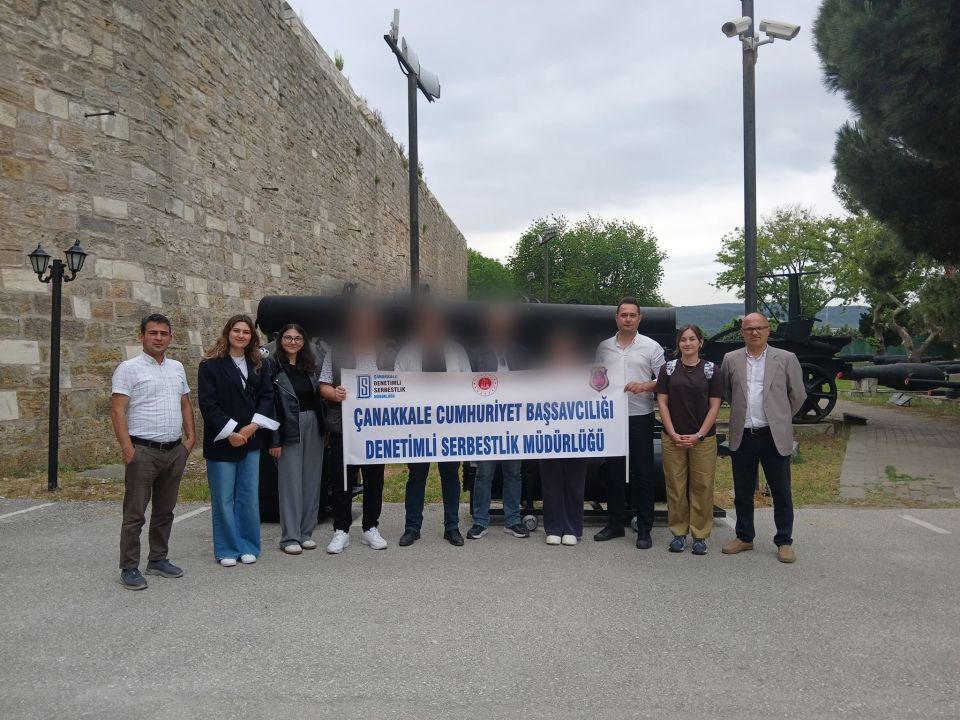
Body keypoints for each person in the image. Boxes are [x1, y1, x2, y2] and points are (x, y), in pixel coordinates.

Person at [111, 313, 195, 590]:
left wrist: (191, 439)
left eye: (163, 333)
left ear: (170, 337)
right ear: (142, 336)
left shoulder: (177, 368)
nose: (158, 338)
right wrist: (127, 448)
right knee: (135, 513)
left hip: (174, 450)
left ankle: (158, 559)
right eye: (153, 333)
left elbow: (185, 403)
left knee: (165, 510)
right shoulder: (128, 368)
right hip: (143, 451)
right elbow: (118, 410)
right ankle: (129, 567)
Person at [719, 312, 807, 563]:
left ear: (768, 330)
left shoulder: (786, 358)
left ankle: (784, 541)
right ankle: (744, 537)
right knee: (743, 490)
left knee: (781, 491)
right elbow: (727, 391)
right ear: (742, 333)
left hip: (773, 435)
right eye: (749, 329)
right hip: (744, 434)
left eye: (760, 327)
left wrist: (781, 417)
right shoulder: (730, 359)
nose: (755, 332)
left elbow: (798, 395)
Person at [198, 314, 279, 567]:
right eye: (236, 331)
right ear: (228, 333)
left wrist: (251, 428)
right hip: (222, 439)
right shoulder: (210, 365)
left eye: (246, 332)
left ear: (252, 336)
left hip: (251, 439)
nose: (241, 335)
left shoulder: (259, 364)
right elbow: (208, 404)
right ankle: (227, 549)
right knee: (223, 498)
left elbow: (267, 397)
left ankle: (248, 545)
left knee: (248, 497)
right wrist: (232, 432)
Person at [320, 303, 396, 554]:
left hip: (376, 428)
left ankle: (370, 527)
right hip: (344, 427)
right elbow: (323, 385)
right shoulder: (336, 352)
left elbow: (400, 386)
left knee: (374, 480)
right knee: (342, 479)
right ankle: (341, 529)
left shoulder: (386, 353)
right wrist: (334, 393)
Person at [395, 303, 472, 547]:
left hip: (450, 425)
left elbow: (468, 385)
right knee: (417, 477)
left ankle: (452, 527)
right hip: (418, 427)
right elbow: (397, 387)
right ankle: (412, 528)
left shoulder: (457, 351)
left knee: (450, 477)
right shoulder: (406, 352)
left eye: (436, 324)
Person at [594, 297, 665, 549]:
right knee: (613, 472)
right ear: (616, 318)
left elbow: (664, 379)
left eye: (632, 315)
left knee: (643, 473)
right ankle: (614, 523)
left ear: (639, 318)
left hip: (640, 416)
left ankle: (644, 528)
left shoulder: (651, 347)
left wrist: (644, 386)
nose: (627, 319)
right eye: (623, 315)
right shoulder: (603, 347)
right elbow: (596, 377)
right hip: (612, 417)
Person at [466, 305, 531, 540]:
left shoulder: (521, 352)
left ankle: (512, 520)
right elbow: (463, 388)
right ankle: (480, 521)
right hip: (486, 424)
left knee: (514, 472)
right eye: (495, 323)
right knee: (484, 473)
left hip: (514, 424)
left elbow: (533, 385)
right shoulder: (476, 354)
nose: (499, 327)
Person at [656, 325, 722, 555]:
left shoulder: (712, 370)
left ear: (700, 342)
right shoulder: (668, 369)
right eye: (683, 339)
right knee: (676, 486)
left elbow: (715, 406)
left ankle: (700, 535)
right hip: (673, 438)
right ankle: (678, 533)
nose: (687, 343)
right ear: (678, 343)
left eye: (692, 339)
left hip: (703, 439)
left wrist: (699, 435)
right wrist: (673, 433)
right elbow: (662, 402)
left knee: (702, 486)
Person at [266, 323, 324, 556]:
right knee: (290, 483)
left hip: (314, 425)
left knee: (311, 481)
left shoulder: (310, 367)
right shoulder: (273, 367)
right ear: (280, 340)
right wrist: (275, 440)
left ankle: (305, 533)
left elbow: (318, 399)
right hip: (288, 427)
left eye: (298, 338)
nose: (293, 342)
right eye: (288, 337)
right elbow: (270, 405)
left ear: (304, 342)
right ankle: (289, 537)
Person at [537, 330, 588, 546]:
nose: (562, 354)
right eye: (559, 351)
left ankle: (572, 528)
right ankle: (554, 527)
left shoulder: (585, 374)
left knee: (574, 482)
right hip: (549, 437)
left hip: (577, 436)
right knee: (551, 483)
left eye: (567, 351)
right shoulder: (541, 374)